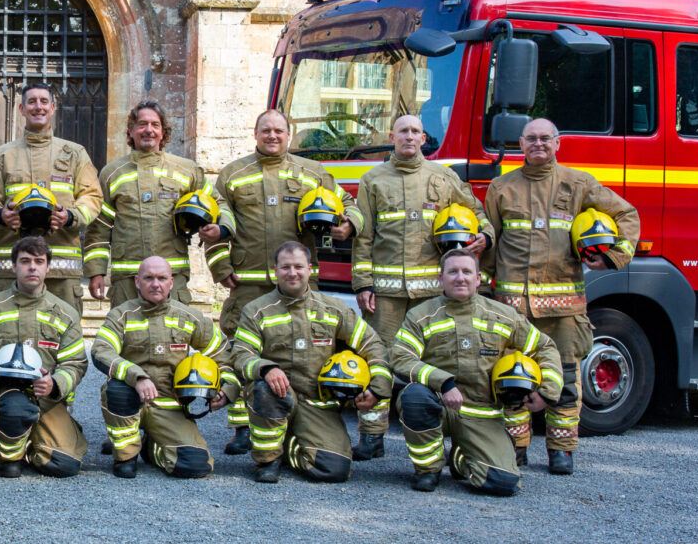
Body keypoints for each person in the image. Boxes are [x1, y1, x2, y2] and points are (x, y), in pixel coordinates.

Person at [481, 118, 640, 475]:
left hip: (564, 310)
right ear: (521, 144)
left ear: (557, 143)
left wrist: (613, 256)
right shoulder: (501, 187)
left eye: (545, 138)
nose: (538, 144)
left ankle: (562, 450)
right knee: (510, 381)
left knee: (566, 383)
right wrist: (482, 292)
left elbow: (627, 215)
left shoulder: (579, 184)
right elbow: (490, 246)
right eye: (531, 139)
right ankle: (515, 448)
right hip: (512, 309)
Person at [206, 109, 364, 455]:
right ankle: (243, 427)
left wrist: (348, 225)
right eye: (266, 130)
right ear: (255, 133)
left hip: (300, 286)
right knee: (241, 350)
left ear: (288, 135)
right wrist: (221, 270)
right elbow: (216, 224)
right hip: (247, 284)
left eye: (279, 130)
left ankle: (301, 420)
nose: (272, 136)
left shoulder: (312, 173)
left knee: (305, 350)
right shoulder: (233, 175)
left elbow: (349, 205)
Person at [349, 114, 491, 460]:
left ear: (423, 137)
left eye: (415, 131)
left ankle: (445, 435)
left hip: (431, 295)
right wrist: (362, 283)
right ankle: (372, 434)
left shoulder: (443, 177)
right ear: (391, 136)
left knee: (437, 360)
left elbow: (476, 211)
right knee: (377, 360)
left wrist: (485, 236)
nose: (409, 137)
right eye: (403, 131)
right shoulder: (373, 179)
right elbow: (364, 237)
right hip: (385, 294)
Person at [394, 249, 563, 495]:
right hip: (439, 404)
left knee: (503, 483)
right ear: (441, 279)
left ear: (478, 278)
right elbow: (400, 356)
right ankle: (428, 469)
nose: (460, 278)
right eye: (452, 272)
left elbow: (544, 347)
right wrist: (443, 383)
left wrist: (548, 391)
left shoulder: (503, 316)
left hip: (482, 414)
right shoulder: (421, 316)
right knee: (414, 397)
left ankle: (461, 459)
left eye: (466, 272)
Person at [229, 241, 390, 483]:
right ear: (275, 270)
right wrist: (266, 368)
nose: (292, 273)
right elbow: (241, 354)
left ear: (310, 269)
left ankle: (290, 446)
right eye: (285, 267)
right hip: (279, 395)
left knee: (334, 470)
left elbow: (372, 345)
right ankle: (268, 459)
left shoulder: (334, 309)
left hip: (318, 404)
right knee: (265, 388)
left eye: (298, 266)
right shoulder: (257, 310)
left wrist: (378, 386)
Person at [90, 256, 238, 478]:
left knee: (196, 466)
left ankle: (152, 448)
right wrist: (137, 377)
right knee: (117, 390)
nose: (155, 284)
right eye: (148, 278)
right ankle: (126, 456)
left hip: (170, 407)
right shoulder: (121, 316)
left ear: (172, 283)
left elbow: (223, 354)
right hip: (132, 400)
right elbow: (101, 350)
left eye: (162, 278)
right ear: (137, 282)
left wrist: (227, 390)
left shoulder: (189, 317)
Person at [0, 236, 88, 478]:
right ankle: (8, 458)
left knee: (64, 465)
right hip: (0, 396)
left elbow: (75, 363)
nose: (32, 267)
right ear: (13, 266)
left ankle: (28, 442)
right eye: (25, 261)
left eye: (39, 261)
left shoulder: (66, 313)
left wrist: (55, 384)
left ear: (48, 268)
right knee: (14, 408)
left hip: (45, 400)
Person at [0, 82, 103, 314]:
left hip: (62, 273)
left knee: (62, 339)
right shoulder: (2, 156)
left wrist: (70, 217)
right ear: (22, 109)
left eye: (44, 101)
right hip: (11, 272)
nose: (38, 107)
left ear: (53, 107)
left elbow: (92, 198)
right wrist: (0, 215)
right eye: (32, 102)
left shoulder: (75, 154)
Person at [85, 101, 219, 307]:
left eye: (155, 125)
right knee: (128, 335)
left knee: (174, 336)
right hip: (128, 280)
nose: (149, 130)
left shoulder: (188, 171)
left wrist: (220, 230)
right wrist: (96, 271)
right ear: (131, 130)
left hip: (172, 278)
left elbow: (218, 205)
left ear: (164, 132)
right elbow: (99, 227)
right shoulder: (112, 174)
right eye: (142, 124)